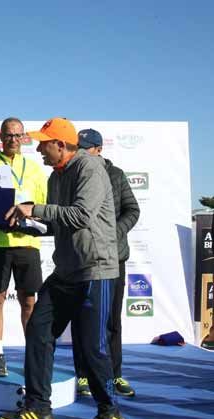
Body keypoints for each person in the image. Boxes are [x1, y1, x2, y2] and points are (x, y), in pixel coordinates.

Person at [0, 118, 126, 419]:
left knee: (93, 347)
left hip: (95, 271)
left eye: (44, 143)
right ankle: (39, 407)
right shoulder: (56, 176)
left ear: (61, 145)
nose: (39, 148)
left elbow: (82, 215)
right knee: (39, 331)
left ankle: (110, 411)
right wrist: (27, 225)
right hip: (66, 272)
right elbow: (59, 224)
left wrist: (35, 209)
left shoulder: (90, 168)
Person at [73, 128, 140, 397]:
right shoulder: (74, 173)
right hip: (84, 259)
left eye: (85, 147)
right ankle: (83, 376)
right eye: (77, 146)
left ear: (99, 149)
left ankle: (115, 375)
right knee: (82, 319)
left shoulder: (116, 174)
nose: (80, 151)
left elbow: (132, 210)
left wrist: (111, 233)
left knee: (111, 319)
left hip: (114, 257)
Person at [0, 118, 47, 376]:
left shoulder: (35, 170)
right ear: (0, 136)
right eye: (8, 135)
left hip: (27, 243)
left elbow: (43, 206)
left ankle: (32, 353)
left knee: (28, 301)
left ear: (23, 138)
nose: (13, 140)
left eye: (18, 135)